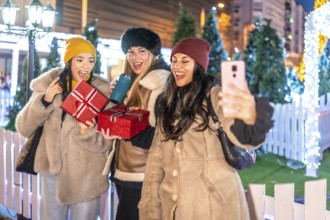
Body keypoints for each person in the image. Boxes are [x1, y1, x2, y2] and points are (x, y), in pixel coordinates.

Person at [138, 37, 274, 220]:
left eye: (185, 61)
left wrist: (250, 117)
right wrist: (149, 209)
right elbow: (156, 162)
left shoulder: (214, 96)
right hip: (173, 209)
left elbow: (242, 138)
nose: (177, 66)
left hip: (213, 207)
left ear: (199, 66)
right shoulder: (168, 103)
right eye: (174, 61)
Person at [15, 37, 113, 220]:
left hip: (87, 177)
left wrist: (88, 133)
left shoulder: (102, 92)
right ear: (68, 61)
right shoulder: (50, 86)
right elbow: (23, 127)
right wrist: (45, 100)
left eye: (91, 60)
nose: (86, 66)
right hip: (53, 173)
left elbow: (108, 141)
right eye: (79, 59)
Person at [101, 27, 170, 220]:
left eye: (142, 51)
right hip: (124, 169)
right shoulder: (132, 82)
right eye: (130, 51)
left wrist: (122, 131)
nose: (135, 57)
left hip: (143, 174)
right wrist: (116, 98)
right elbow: (122, 116)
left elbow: (159, 136)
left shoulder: (160, 84)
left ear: (153, 53)